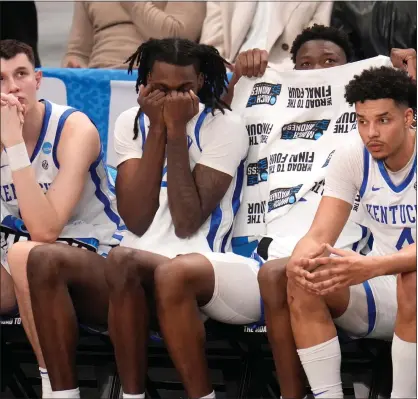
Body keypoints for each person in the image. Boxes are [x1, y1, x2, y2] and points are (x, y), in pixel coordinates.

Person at [26, 37, 248, 399]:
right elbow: (136, 219)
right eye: (161, 89)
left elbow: (186, 221)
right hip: (127, 274)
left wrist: (176, 132)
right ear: (143, 86)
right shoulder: (130, 122)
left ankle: (132, 396)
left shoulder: (224, 125)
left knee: (124, 259)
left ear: (202, 83)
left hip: (197, 269)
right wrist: (157, 130)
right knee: (43, 259)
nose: (173, 99)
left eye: (184, 90)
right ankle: (61, 394)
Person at [153, 25, 364, 399]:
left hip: (339, 261)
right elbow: (220, 115)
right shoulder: (262, 105)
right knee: (182, 274)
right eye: (304, 64)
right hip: (256, 260)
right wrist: (239, 79)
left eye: (330, 63)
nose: (316, 71)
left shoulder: (368, 118)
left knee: (284, 272)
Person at [0, 39, 122, 398]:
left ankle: (55, 389)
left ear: (38, 79)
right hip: (22, 258)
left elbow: (45, 230)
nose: (12, 87)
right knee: (23, 255)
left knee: (28, 254)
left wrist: (14, 145)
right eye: (1, 79)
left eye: (20, 74)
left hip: (94, 256)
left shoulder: (74, 129)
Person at [285, 66, 416, 398]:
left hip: (405, 281)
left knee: (412, 277)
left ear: (408, 118)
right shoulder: (351, 155)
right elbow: (319, 235)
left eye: (383, 120)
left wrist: (371, 266)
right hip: (385, 289)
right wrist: (299, 261)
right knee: (306, 277)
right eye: (361, 121)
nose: (371, 132)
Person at [62, 2, 206, 69]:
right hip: (98, 76)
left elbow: (179, 36)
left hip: (155, 79)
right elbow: (77, 52)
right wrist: (75, 64)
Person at [199, 1, 333, 70]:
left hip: (284, 75)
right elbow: (210, 48)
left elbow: (316, 51)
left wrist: (273, 72)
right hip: (231, 73)